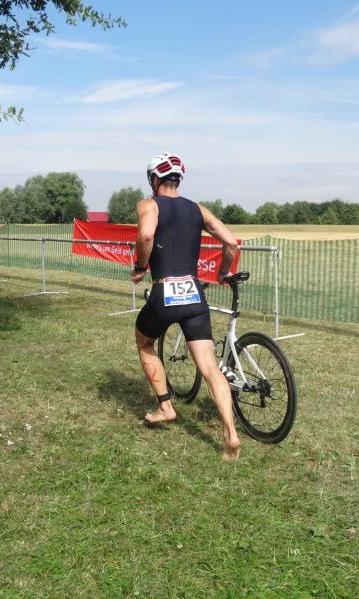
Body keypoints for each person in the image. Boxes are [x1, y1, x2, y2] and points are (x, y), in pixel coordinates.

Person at [131, 152, 241, 460]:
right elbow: (231, 242)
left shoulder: (148, 204)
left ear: (154, 180)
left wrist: (140, 266)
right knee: (209, 367)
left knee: (144, 342)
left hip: (164, 292)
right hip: (194, 295)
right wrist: (223, 272)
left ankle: (166, 406)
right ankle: (230, 435)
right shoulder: (198, 209)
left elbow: (146, 234)